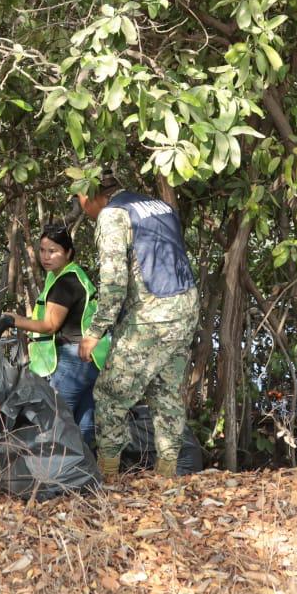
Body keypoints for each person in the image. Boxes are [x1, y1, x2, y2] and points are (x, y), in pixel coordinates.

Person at [76, 177, 198, 479]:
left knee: (109, 396)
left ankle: (108, 477)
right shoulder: (159, 206)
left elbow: (114, 284)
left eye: (78, 197)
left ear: (92, 193)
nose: (80, 206)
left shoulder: (113, 214)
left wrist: (94, 332)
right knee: (165, 392)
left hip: (152, 316)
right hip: (185, 308)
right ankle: (167, 477)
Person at [4, 223, 108, 445]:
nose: (46, 256)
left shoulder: (66, 282)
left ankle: (56, 473)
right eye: (42, 250)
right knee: (83, 420)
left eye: (53, 251)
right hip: (90, 359)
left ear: (68, 252)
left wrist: (16, 320)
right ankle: (85, 472)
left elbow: (50, 325)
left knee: (56, 418)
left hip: (75, 358)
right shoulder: (68, 275)